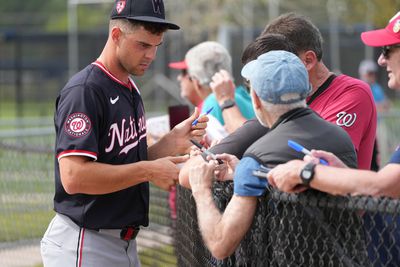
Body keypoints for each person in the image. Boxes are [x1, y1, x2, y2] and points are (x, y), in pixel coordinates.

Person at [40, 1, 208, 266]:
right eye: (143, 44)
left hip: (123, 244)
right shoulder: (86, 91)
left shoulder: (129, 87)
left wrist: (172, 141)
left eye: (156, 46)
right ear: (116, 35)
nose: (151, 55)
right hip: (85, 241)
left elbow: (125, 160)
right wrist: (149, 171)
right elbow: (73, 177)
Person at [188, 51, 367, 264]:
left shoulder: (256, 156)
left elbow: (220, 244)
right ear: (307, 90)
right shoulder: (341, 138)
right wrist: (241, 174)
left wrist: (201, 190)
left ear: (256, 99)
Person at [179, 12, 377, 188]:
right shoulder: (281, 100)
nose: (271, 71)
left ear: (308, 60)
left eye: (280, 60)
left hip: (338, 221)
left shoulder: (352, 92)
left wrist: (228, 105)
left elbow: (316, 159)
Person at [267, 11, 400, 265]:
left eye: (388, 50)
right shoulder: (292, 100)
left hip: (353, 235)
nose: (381, 61)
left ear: (308, 60)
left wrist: (304, 172)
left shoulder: (352, 91)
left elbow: (385, 186)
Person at [169, 41, 255, 135]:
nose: (179, 77)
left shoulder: (213, 102)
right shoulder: (245, 95)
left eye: (184, 72)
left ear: (195, 81)